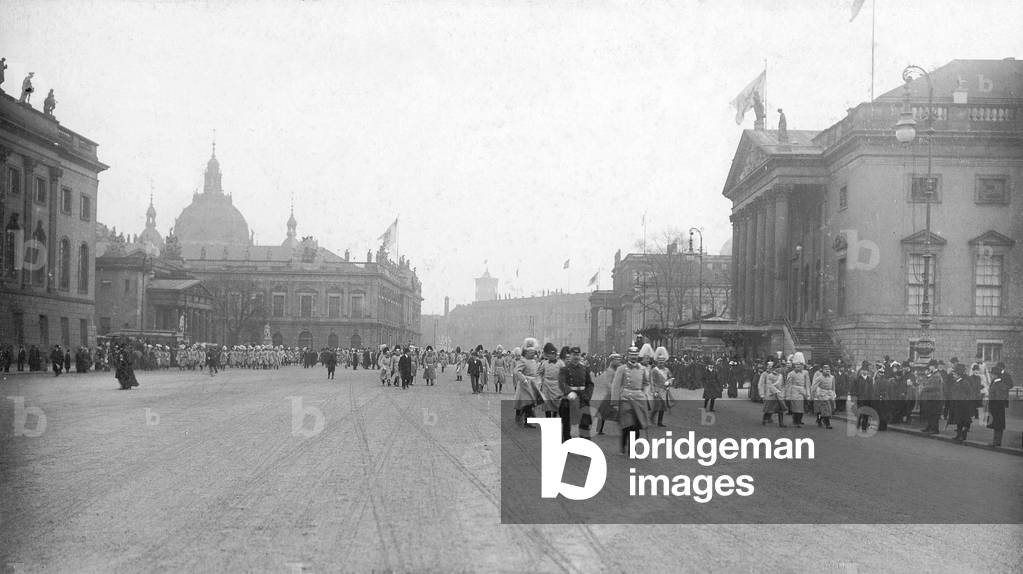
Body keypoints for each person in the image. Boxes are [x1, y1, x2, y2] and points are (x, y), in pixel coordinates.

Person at [611, 347, 650, 454]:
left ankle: (632, 448)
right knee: (627, 424)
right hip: (626, 399)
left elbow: (646, 383)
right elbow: (616, 385)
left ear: (638, 355)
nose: (634, 357)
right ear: (628, 355)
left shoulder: (643, 369)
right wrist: (615, 402)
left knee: (636, 426)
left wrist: (645, 393)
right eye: (632, 354)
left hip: (639, 400)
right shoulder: (621, 369)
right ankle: (623, 444)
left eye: (635, 354)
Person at [558, 346, 594, 441]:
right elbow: (562, 383)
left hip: (582, 399)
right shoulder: (564, 369)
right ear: (570, 355)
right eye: (574, 355)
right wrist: (569, 392)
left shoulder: (584, 369)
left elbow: (590, 384)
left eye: (578, 355)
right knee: (567, 425)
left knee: (585, 424)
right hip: (569, 399)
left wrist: (588, 395)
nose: (576, 357)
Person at [513, 338, 541, 428]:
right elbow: (517, 371)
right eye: (530, 352)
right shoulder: (523, 361)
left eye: (533, 352)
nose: (532, 354)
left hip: (532, 385)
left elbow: (536, 373)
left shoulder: (534, 361)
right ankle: (520, 417)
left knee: (530, 403)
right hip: (524, 386)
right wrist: (523, 379)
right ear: (526, 352)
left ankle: (527, 420)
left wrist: (538, 381)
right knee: (524, 403)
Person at [986, 363, 1013, 447]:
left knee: (998, 424)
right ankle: (995, 441)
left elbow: (999, 397)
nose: (991, 375)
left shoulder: (1000, 384)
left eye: (992, 374)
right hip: (995, 406)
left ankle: (997, 442)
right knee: (996, 424)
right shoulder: (995, 382)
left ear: (996, 375)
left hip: (997, 407)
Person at [918, 359, 944, 434]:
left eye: (930, 366)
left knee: (934, 414)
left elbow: (933, 386)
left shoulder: (936, 375)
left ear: (933, 366)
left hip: (935, 397)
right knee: (929, 413)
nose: (929, 367)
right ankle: (929, 427)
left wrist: (924, 387)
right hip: (931, 397)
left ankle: (934, 429)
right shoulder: (934, 374)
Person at [649, 347, 673, 426]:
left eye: (662, 362)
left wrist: (669, 382)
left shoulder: (667, 370)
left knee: (663, 406)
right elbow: (652, 381)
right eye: (660, 362)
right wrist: (654, 391)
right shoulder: (654, 370)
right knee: (657, 405)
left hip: (664, 390)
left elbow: (671, 378)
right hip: (657, 390)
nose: (661, 363)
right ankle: (652, 416)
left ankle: (660, 422)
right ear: (657, 362)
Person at [784, 360, 811, 427]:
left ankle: (799, 420)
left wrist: (808, 393)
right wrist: (788, 395)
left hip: (802, 391)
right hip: (794, 391)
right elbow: (788, 385)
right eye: (797, 365)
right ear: (794, 366)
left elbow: (807, 383)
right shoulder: (791, 373)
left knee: (801, 407)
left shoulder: (805, 373)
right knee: (795, 407)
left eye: (800, 365)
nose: (798, 366)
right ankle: (796, 421)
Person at [811, 364, 836, 429]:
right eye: (826, 369)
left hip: (830, 394)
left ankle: (820, 420)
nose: (827, 370)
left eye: (828, 369)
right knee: (826, 409)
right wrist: (813, 395)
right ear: (822, 370)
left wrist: (833, 394)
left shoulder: (832, 377)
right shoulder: (819, 378)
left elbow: (833, 387)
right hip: (822, 394)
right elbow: (814, 387)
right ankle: (828, 424)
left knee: (830, 409)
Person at [761, 362, 787, 427]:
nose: (779, 369)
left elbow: (782, 385)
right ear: (775, 368)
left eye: (780, 368)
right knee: (768, 409)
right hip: (772, 395)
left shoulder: (781, 375)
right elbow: (769, 385)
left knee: (780, 409)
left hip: (779, 395)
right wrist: (776, 391)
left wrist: (782, 392)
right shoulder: (770, 375)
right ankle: (764, 419)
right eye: (778, 368)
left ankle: (781, 423)